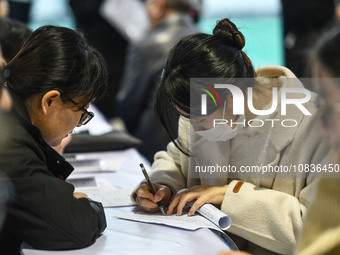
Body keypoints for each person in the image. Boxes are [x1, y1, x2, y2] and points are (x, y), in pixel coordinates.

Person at [133, 18, 331, 255]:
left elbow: (317, 230)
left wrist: (229, 196)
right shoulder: (202, 104)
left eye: (203, 121)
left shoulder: (320, 126)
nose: (196, 127)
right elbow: (177, 156)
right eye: (188, 118)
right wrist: (164, 184)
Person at [0, 25, 108, 254]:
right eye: (82, 113)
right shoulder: (10, 145)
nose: (79, 125)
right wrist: (86, 207)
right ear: (50, 101)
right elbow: (72, 227)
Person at [116, 0, 198, 161]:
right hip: (199, 150)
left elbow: (127, 104)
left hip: (154, 150)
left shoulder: (145, 46)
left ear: (158, 5)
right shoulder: (208, 42)